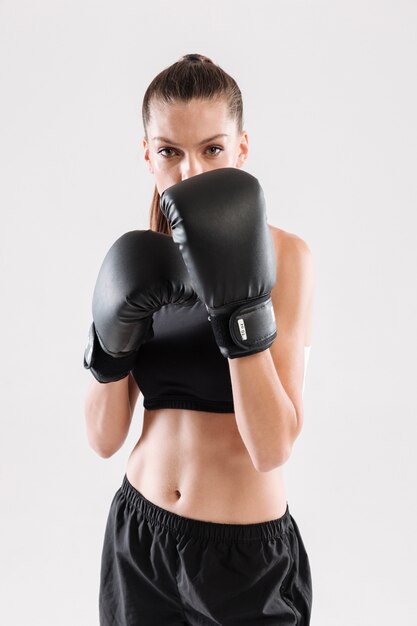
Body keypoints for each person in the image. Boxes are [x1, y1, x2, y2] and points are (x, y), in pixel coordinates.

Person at [84, 53, 315, 626]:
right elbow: (102, 438)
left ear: (241, 148)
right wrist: (112, 341)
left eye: (212, 148)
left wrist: (236, 305)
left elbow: (272, 447)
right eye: (169, 151)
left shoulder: (286, 257)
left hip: (245, 562)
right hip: (140, 541)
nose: (190, 172)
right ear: (147, 155)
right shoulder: (138, 262)